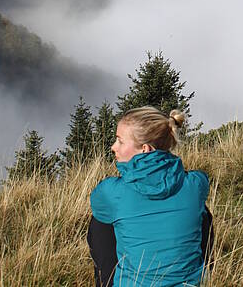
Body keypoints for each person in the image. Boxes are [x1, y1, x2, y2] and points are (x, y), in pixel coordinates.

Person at [88, 106, 214, 287]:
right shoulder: (195, 184)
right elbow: (200, 181)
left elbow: (99, 207)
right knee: (203, 213)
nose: (113, 147)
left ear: (145, 149)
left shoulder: (111, 192)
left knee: (101, 221)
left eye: (120, 141)